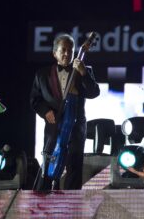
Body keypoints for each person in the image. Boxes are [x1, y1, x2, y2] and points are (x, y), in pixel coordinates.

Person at [30, 34, 100, 190]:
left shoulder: (84, 70)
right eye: (63, 50)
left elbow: (94, 92)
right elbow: (35, 100)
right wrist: (46, 111)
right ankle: (41, 198)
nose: (67, 54)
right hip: (53, 125)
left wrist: (83, 73)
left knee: (74, 166)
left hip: (76, 126)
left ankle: (71, 204)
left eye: (70, 50)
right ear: (55, 53)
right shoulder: (42, 74)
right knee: (48, 162)